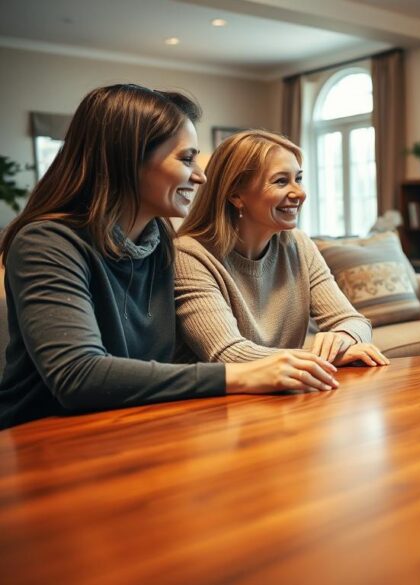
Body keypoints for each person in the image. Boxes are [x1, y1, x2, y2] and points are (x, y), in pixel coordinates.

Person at [0, 85, 340, 429]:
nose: (201, 175)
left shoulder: (159, 241)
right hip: (42, 435)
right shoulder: (46, 242)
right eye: (186, 158)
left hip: (133, 425)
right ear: (129, 158)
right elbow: (78, 374)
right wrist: (239, 375)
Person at [175, 130, 388, 367]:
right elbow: (228, 353)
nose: (300, 193)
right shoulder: (189, 255)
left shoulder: (298, 245)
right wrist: (322, 359)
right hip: (218, 400)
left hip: (287, 390)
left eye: (298, 178)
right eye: (280, 181)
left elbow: (352, 320)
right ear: (235, 195)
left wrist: (343, 339)